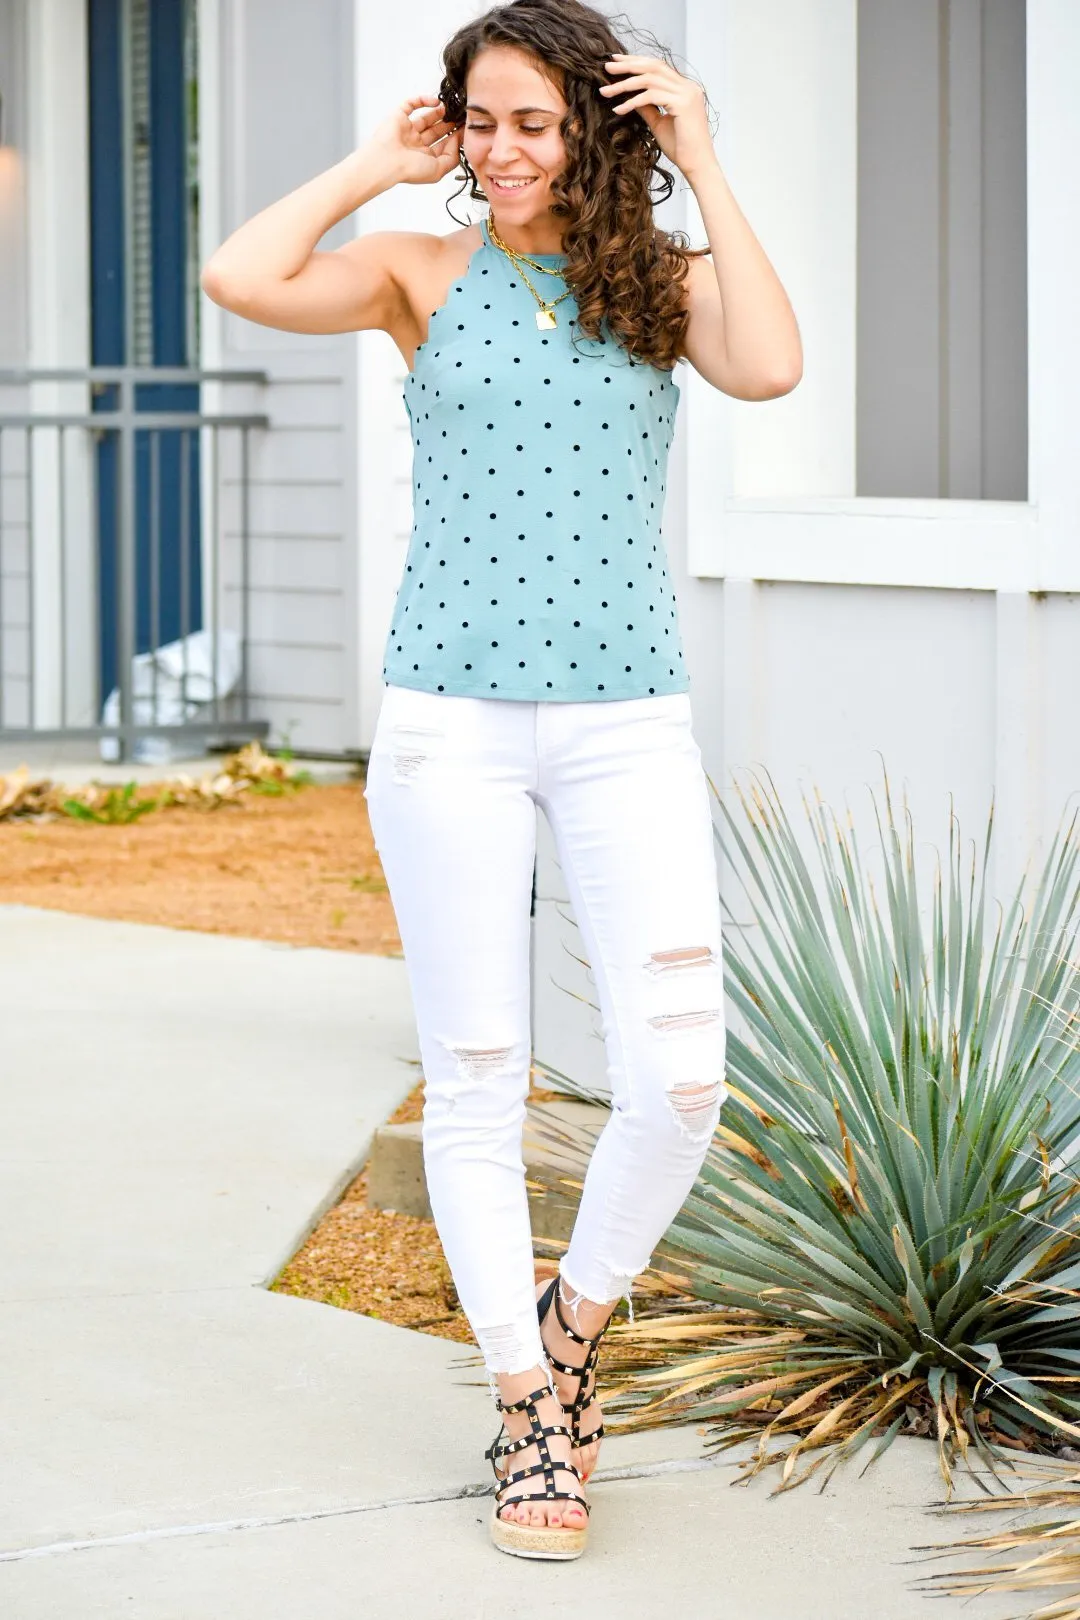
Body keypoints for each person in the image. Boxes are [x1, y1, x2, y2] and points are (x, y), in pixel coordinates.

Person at [202, 0, 801, 1562]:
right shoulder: (423, 272)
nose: (503, 148)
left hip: (623, 728)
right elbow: (240, 275)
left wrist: (703, 154)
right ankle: (529, 1398)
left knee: (680, 1077)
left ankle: (577, 1314)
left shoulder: (657, 285)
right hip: (447, 730)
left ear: (593, 131)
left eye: (535, 121)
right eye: (483, 119)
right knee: (477, 1075)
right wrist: (367, 164)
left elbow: (776, 365)